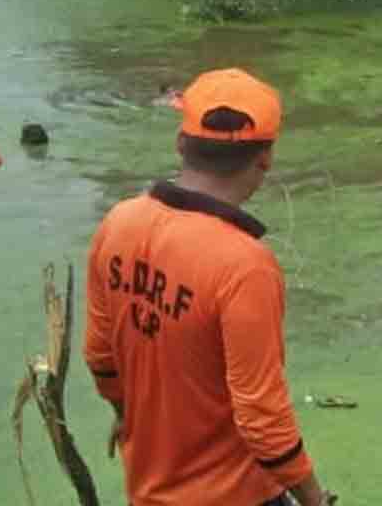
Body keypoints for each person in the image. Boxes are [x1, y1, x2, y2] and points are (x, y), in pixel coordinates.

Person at [83, 68, 336, 506]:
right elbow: (262, 418)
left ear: (180, 143)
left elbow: (100, 356)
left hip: (148, 489)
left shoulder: (119, 223)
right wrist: (314, 499)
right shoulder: (245, 266)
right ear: (265, 159)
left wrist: (127, 415)